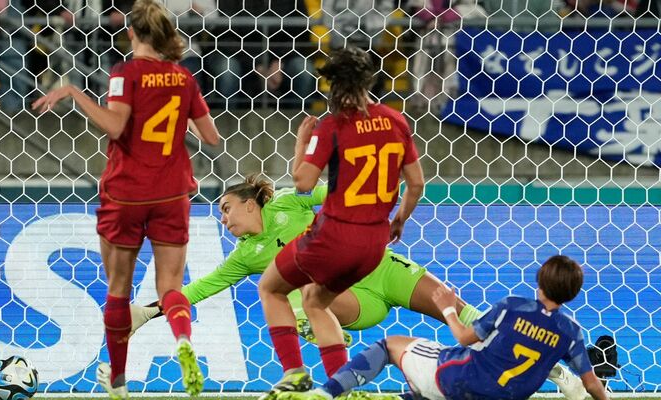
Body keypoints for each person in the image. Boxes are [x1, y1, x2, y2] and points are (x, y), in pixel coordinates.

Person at [128, 174, 586, 400]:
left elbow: (334, 191)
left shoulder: (287, 203)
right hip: (354, 300)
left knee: (462, 313)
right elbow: (201, 288)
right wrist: (148, 311)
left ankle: (555, 373)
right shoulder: (245, 256)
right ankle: (315, 325)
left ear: (251, 203)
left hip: (382, 266)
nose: (223, 219)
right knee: (302, 290)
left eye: (227, 208)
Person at [31, 0, 220, 397]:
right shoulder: (184, 77)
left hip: (128, 192)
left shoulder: (125, 72)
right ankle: (183, 340)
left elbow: (116, 126)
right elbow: (211, 137)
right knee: (170, 285)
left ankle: (118, 382)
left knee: (118, 288)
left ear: (131, 32)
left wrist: (74, 92)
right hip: (172, 192)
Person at [256, 46, 425, 399]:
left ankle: (294, 373)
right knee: (315, 301)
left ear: (333, 85)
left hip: (333, 236)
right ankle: (340, 388)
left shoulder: (332, 126)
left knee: (270, 288)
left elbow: (303, 184)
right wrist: (399, 220)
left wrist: (302, 144)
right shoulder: (396, 121)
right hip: (374, 243)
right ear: (369, 81)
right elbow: (417, 184)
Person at [278, 255, 610, 400]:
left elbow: (464, 336)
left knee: (389, 346)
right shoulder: (571, 331)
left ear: (539, 280)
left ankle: (325, 394)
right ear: (573, 293)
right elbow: (593, 384)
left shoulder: (513, 307)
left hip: (461, 380)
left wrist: (449, 307)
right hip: (504, 396)